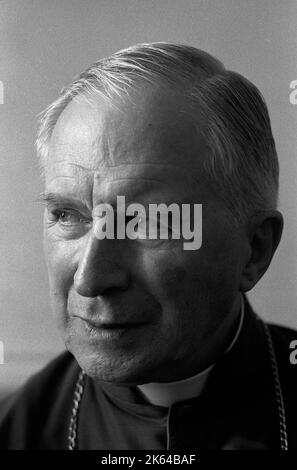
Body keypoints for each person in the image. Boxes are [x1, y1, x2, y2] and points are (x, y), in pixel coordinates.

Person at [0, 42, 296, 450]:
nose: (90, 279)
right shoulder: (20, 429)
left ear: (255, 250)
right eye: (68, 216)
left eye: (147, 221)